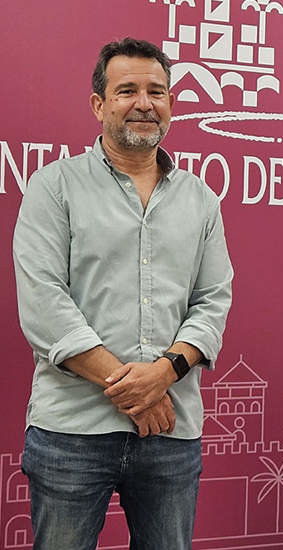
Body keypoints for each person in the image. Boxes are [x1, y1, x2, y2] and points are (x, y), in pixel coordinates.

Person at [12, 38, 233, 549]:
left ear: (172, 105)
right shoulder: (54, 187)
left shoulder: (201, 199)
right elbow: (45, 304)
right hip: (71, 431)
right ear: (99, 104)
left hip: (170, 432)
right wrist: (133, 391)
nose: (143, 102)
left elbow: (213, 299)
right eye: (126, 90)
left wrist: (165, 373)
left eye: (157, 91)